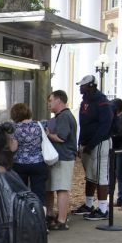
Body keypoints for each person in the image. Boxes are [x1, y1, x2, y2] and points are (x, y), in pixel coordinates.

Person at [71, 75, 114, 220]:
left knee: (101, 176)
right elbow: (83, 126)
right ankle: (89, 205)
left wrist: (91, 144)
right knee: (90, 176)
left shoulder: (102, 102)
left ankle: (103, 208)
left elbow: (105, 126)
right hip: (87, 143)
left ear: (91, 86)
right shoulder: (85, 102)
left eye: (82, 85)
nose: (80, 88)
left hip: (99, 143)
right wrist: (81, 143)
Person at [45, 90, 77, 230]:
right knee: (53, 187)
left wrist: (47, 134)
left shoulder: (64, 117)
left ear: (59, 100)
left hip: (63, 157)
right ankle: (51, 214)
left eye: (51, 101)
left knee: (62, 189)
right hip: (60, 158)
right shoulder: (62, 116)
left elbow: (61, 137)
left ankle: (62, 219)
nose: (49, 104)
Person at [9, 103, 48, 207]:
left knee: (21, 193)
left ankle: (23, 216)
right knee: (39, 192)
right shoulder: (40, 125)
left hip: (20, 164)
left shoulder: (16, 128)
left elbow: (13, 148)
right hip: (38, 162)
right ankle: (40, 218)